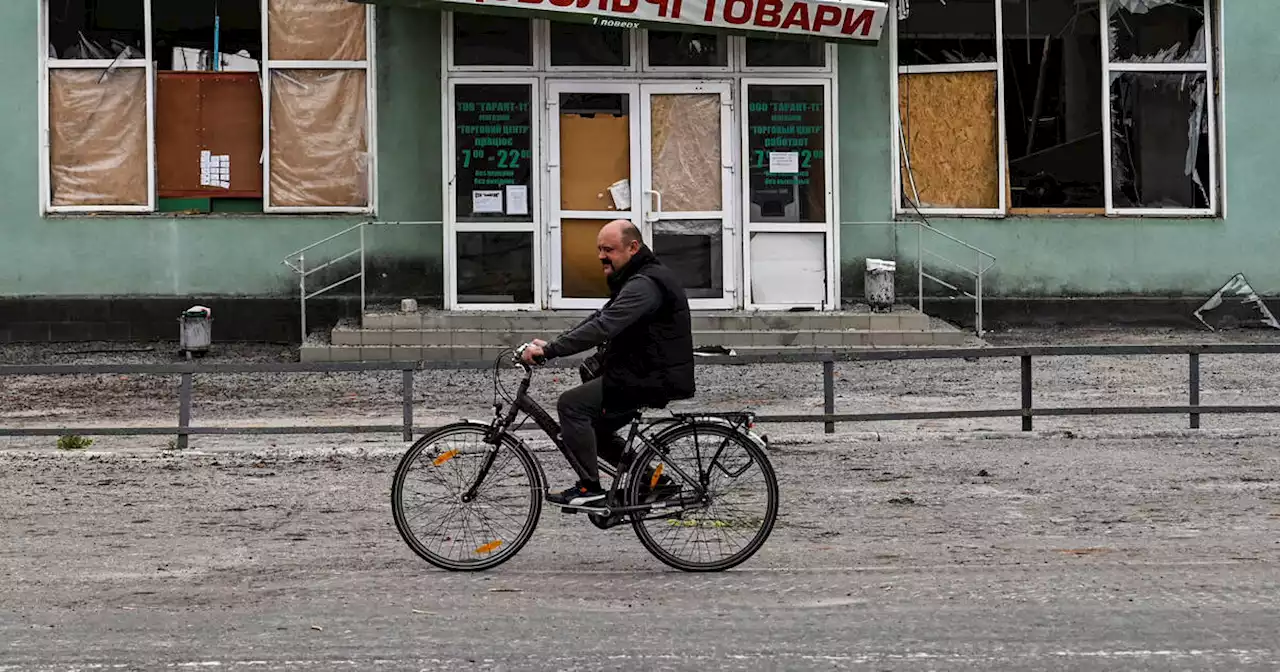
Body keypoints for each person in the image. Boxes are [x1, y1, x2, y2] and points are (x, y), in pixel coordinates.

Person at [520, 219, 695, 507]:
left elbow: (604, 326)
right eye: (599, 249)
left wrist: (551, 351)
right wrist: (550, 344)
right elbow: (599, 318)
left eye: (609, 249)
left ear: (633, 247)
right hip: (644, 371)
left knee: (572, 406)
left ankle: (590, 489)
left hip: (649, 375)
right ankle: (654, 482)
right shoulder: (638, 277)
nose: (602, 255)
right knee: (592, 428)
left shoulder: (645, 284)